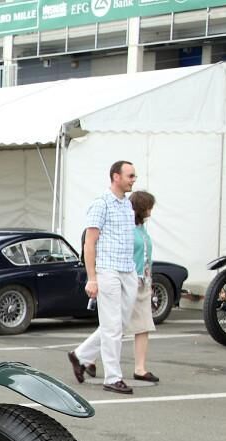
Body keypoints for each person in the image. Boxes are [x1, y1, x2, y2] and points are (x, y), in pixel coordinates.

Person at [69, 161, 139, 394]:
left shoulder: (128, 205)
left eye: (134, 176)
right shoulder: (101, 204)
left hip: (127, 270)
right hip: (107, 270)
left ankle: (80, 355)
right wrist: (92, 277)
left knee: (119, 324)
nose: (133, 179)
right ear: (116, 177)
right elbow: (90, 243)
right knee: (111, 327)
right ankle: (113, 377)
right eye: (130, 175)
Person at [127, 190, 159, 383]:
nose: (150, 211)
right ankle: (86, 357)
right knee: (115, 326)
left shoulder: (141, 229)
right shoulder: (128, 229)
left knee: (143, 325)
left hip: (144, 281)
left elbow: (146, 256)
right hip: (131, 280)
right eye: (148, 207)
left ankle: (140, 367)